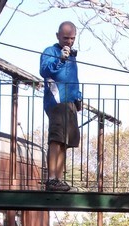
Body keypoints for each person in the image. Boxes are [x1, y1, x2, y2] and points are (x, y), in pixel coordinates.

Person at [40, 21, 82, 192]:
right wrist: (60, 59)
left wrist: (78, 98)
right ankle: (51, 179)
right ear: (57, 36)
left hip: (70, 102)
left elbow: (73, 80)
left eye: (72, 38)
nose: (69, 42)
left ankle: (59, 179)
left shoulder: (72, 56)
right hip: (56, 102)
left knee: (66, 141)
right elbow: (45, 71)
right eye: (66, 38)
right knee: (56, 139)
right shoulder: (50, 51)